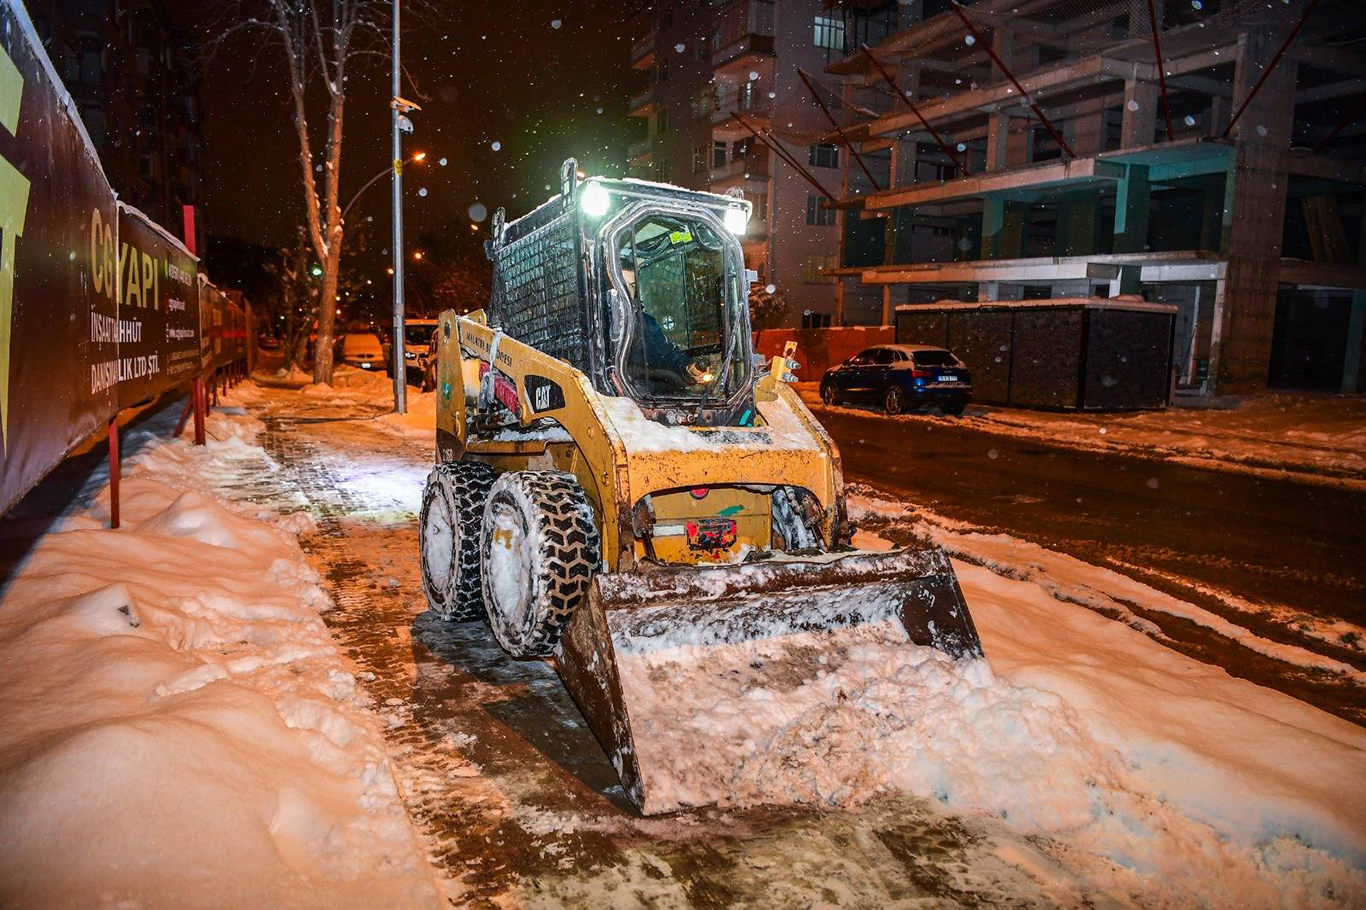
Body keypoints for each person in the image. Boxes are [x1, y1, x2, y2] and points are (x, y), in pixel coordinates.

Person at [620, 261, 706, 386]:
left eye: (632, 286)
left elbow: (666, 353)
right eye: (623, 285)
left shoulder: (646, 322)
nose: (628, 291)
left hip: (650, 396)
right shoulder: (596, 324)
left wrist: (688, 367)